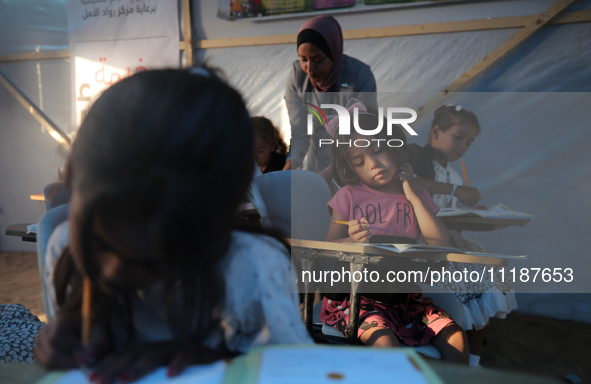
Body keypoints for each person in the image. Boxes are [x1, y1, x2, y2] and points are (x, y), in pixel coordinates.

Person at [34, 67, 313, 383]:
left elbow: (297, 372)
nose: (111, 272)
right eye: (99, 244)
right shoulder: (64, 249)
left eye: (151, 262)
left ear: (212, 227)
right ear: (69, 177)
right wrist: (64, 342)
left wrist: (223, 364)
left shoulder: (252, 267)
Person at [320, 105, 469, 364]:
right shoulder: (348, 196)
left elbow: (439, 242)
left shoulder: (415, 195)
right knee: (384, 343)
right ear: (351, 169)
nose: (373, 163)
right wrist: (350, 240)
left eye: (378, 151)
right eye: (359, 161)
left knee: (456, 337)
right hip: (357, 299)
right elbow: (327, 246)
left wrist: (412, 194)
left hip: (405, 298)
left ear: (394, 147)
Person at [404, 104, 517, 366]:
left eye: (469, 142)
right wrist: (455, 190)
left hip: (450, 238)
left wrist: (478, 216)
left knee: (492, 266)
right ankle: (454, 350)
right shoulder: (414, 156)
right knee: (466, 275)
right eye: (458, 136)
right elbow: (406, 182)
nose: (463, 146)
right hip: (421, 240)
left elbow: (452, 218)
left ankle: (473, 361)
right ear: (435, 132)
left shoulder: (454, 174)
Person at [283, 14, 377, 176]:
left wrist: (331, 172)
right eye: (303, 59)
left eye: (317, 59)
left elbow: (363, 135)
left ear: (334, 52)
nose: (310, 68)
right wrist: (289, 167)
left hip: (353, 165)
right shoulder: (297, 76)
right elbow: (300, 133)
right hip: (316, 163)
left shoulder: (360, 76)